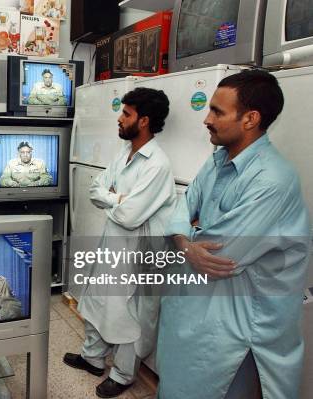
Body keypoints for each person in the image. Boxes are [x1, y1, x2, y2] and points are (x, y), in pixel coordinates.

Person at [158, 70, 311, 399]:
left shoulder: (273, 180)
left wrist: (186, 237)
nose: (207, 119)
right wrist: (187, 240)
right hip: (197, 315)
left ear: (250, 119)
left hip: (240, 332)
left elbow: (222, 256)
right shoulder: (217, 160)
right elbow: (182, 208)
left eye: (217, 111)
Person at [63, 87, 176, 398]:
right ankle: (92, 358)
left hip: (138, 253)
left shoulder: (157, 165)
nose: (120, 117)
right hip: (113, 244)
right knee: (99, 300)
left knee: (129, 314)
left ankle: (124, 374)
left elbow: (129, 215)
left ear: (144, 121)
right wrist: (118, 198)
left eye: (126, 113)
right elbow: (95, 190)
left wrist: (115, 201)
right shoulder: (125, 154)